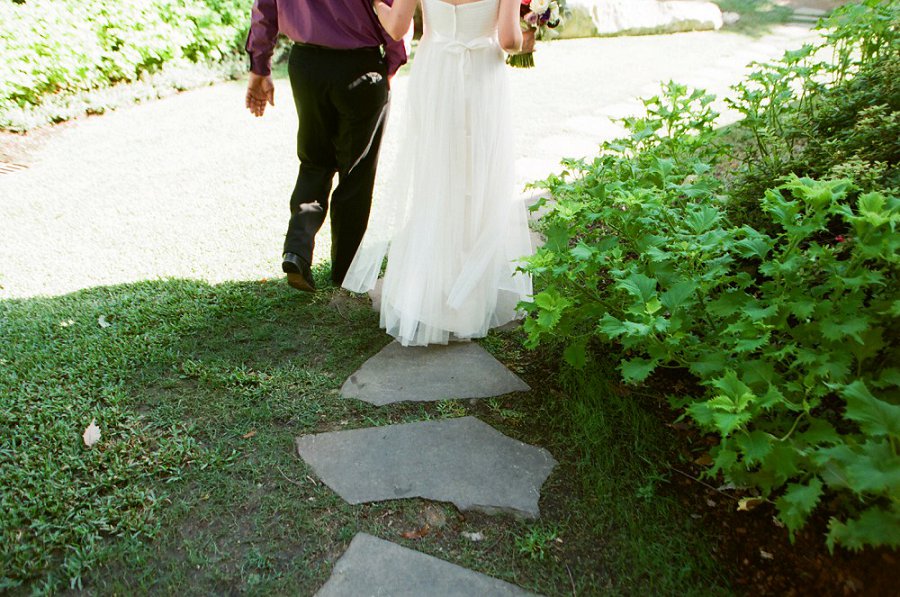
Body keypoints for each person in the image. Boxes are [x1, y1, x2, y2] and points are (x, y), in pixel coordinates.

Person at [341, 0, 536, 346]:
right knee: (476, 179)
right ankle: (467, 298)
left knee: (435, 177)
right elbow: (508, 41)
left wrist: (375, 4)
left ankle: (427, 291)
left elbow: (398, 28)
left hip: (436, 75)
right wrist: (530, 31)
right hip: (481, 77)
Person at [244, 0, 407, 292]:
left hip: (307, 66)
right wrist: (392, 61)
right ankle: (346, 270)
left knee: (314, 160)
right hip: (360, 64)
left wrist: (260, 66)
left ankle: (297, 249)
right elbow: (389, 8)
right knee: (356, 171)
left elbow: (265, 8)